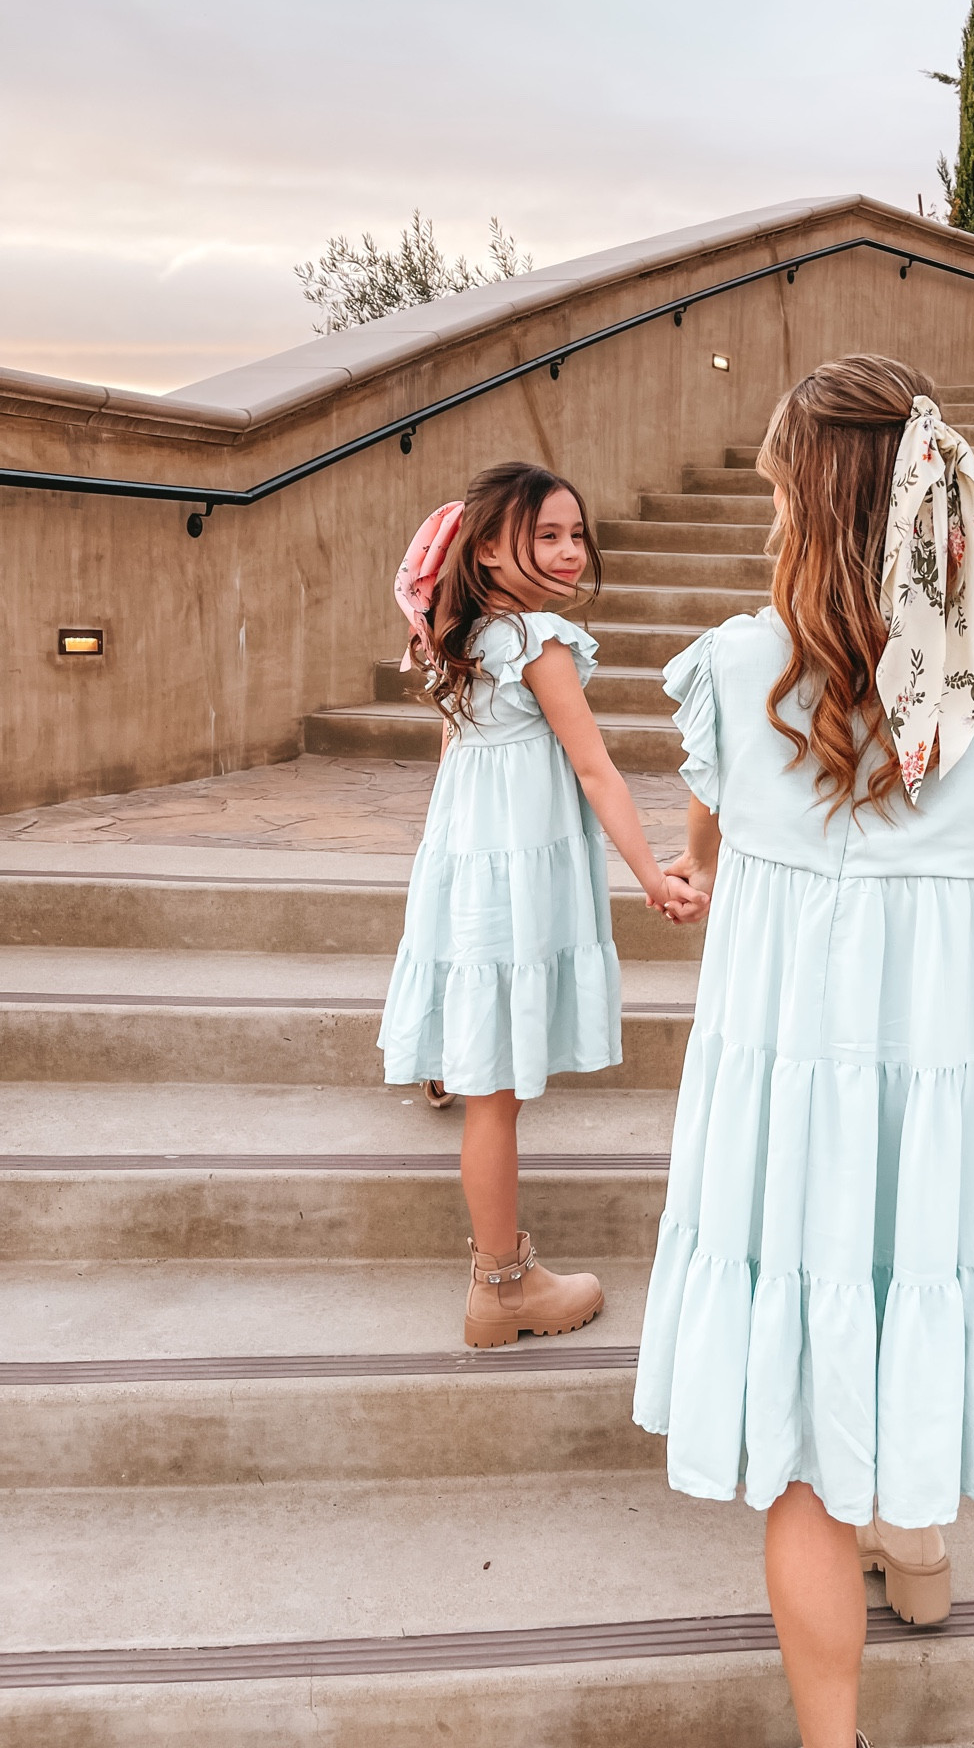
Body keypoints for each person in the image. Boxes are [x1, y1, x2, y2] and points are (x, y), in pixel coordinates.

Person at [632, 357, 974, 1748]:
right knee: (905, 1290)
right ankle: (925, 1554)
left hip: (778, 1075)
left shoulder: (726, 667)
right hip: (937, 1063)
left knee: (805, 1418)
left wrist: (715, 860)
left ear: (799, 501)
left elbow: (705, 855)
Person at [379, 460, 706, 1347]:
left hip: (471, 862)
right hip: (515, 873)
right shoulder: (537, 643)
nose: (569, 552)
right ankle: (503, 1285)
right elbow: (594, 767)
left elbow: (457, 758)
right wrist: (651, 872)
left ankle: (500, 1265)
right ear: (486, 549)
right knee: (495, 1100)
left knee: (486, 1072)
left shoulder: (458, 635)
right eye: (545, 536)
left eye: (575, 534)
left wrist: (444, 870)